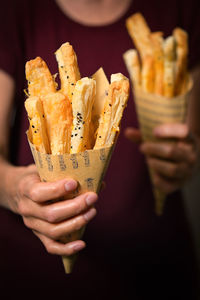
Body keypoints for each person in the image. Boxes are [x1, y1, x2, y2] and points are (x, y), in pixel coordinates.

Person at [0, 0, 199, 298]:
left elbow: (190, 137)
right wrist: (14, 188)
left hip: (154, 268)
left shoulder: (180, 7)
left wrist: (184, 159)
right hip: (32, 274)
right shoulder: (14, 9)